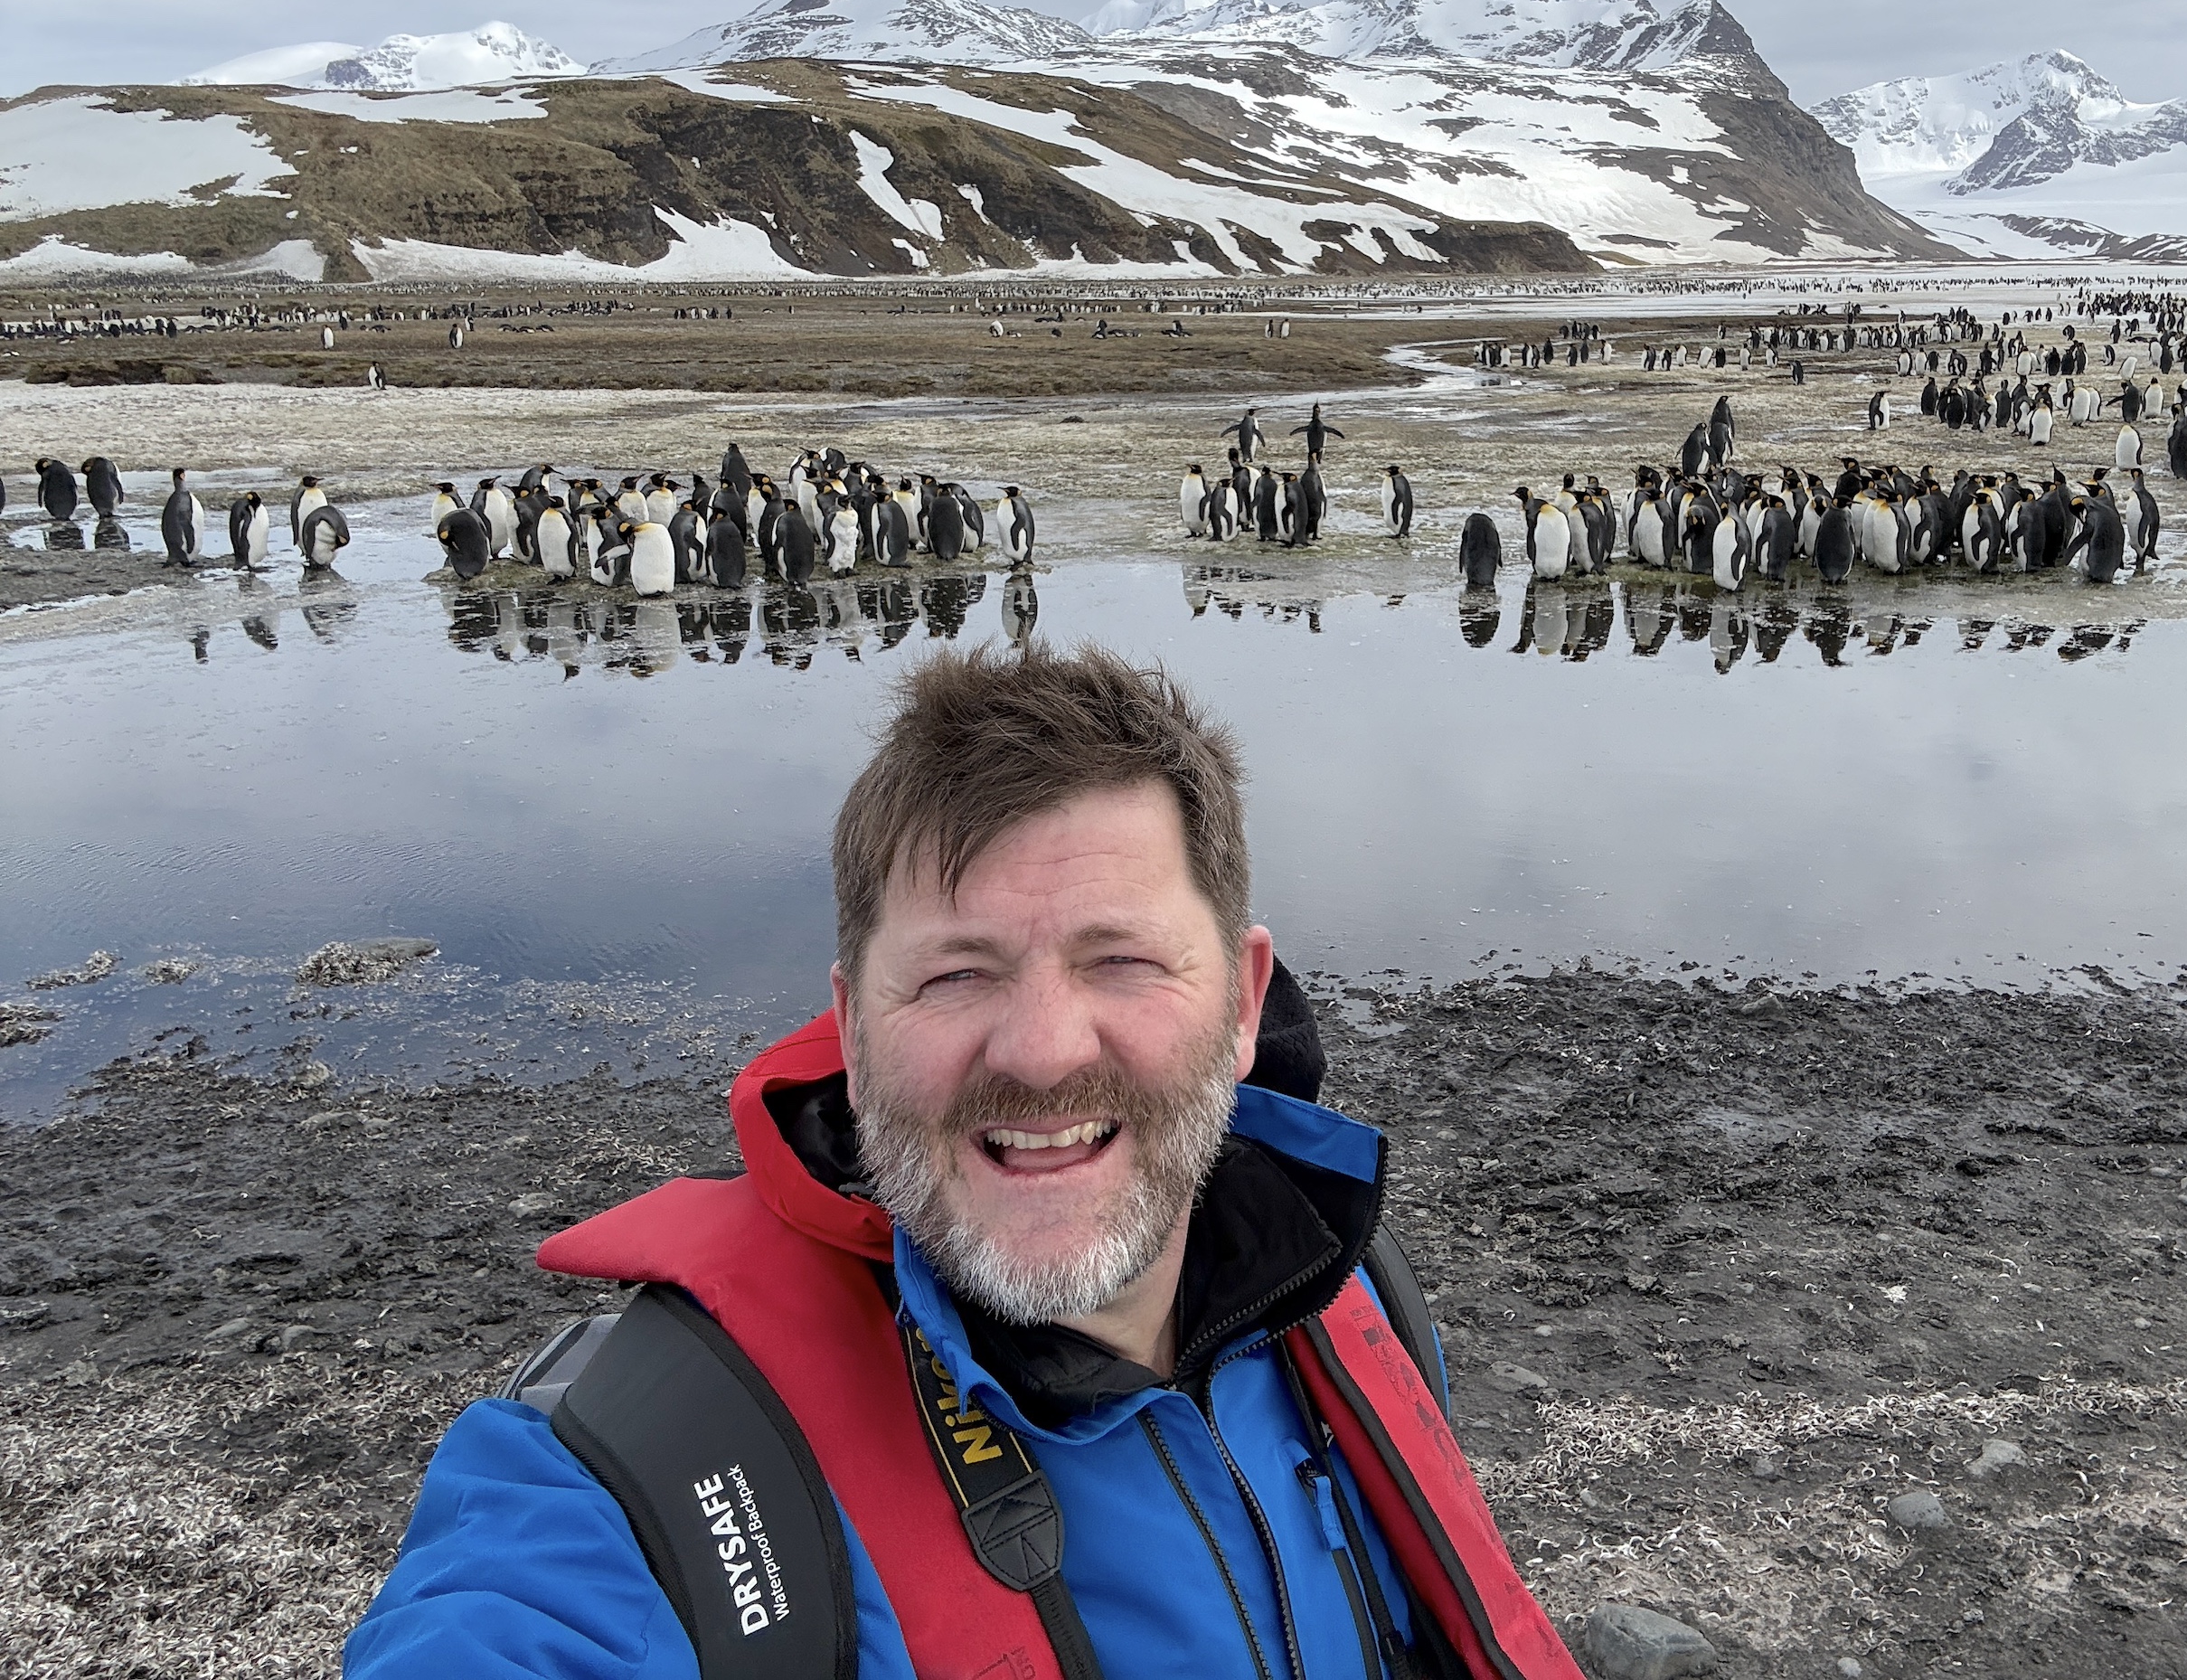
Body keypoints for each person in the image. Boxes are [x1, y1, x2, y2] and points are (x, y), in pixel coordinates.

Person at [347, 644, 1579, 1680]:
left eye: (1122, 959)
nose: (1043, 1051)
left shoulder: (1349, 1298)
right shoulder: (652, 1467)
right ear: (854, 1015)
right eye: (956, 973)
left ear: (1247, 1001)